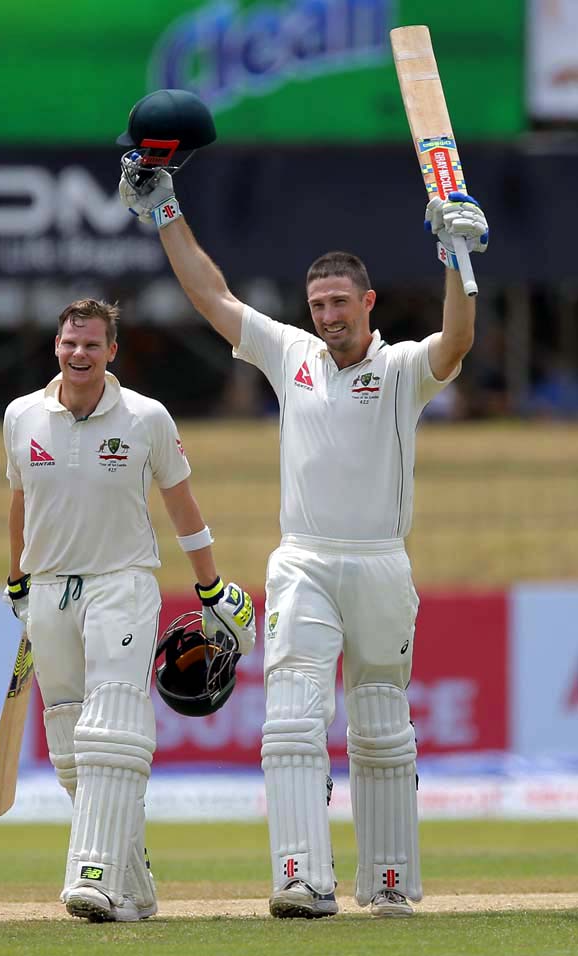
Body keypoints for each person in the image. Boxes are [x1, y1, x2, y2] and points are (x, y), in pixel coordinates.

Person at [118, 158, 489, 919]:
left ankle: (388, 881)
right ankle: (300, 876)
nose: (328, 315)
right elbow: (210, 295)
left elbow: (456, 343)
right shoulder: (292, 355)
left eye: (340, 302)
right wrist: (164, 210)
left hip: (382, 565)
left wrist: (460, 260)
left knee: (383, 724)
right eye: (318, 303)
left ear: (368, 302)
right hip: (304, 564)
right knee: (291, 716)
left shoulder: (401, 368)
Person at [2, 298, 256, 922]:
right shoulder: (21, 416)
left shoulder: (146, 417)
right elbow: (19, 503)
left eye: (91, 344)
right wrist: (17, 581)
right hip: (50, 585)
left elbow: (181, 505)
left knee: (110, 724)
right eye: (69, 343)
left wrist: (211, 586)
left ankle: (93, 877)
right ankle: (134, 880)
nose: (78, 354)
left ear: (112, 351)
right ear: (55, 347)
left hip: (123, 582)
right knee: (67, 745)